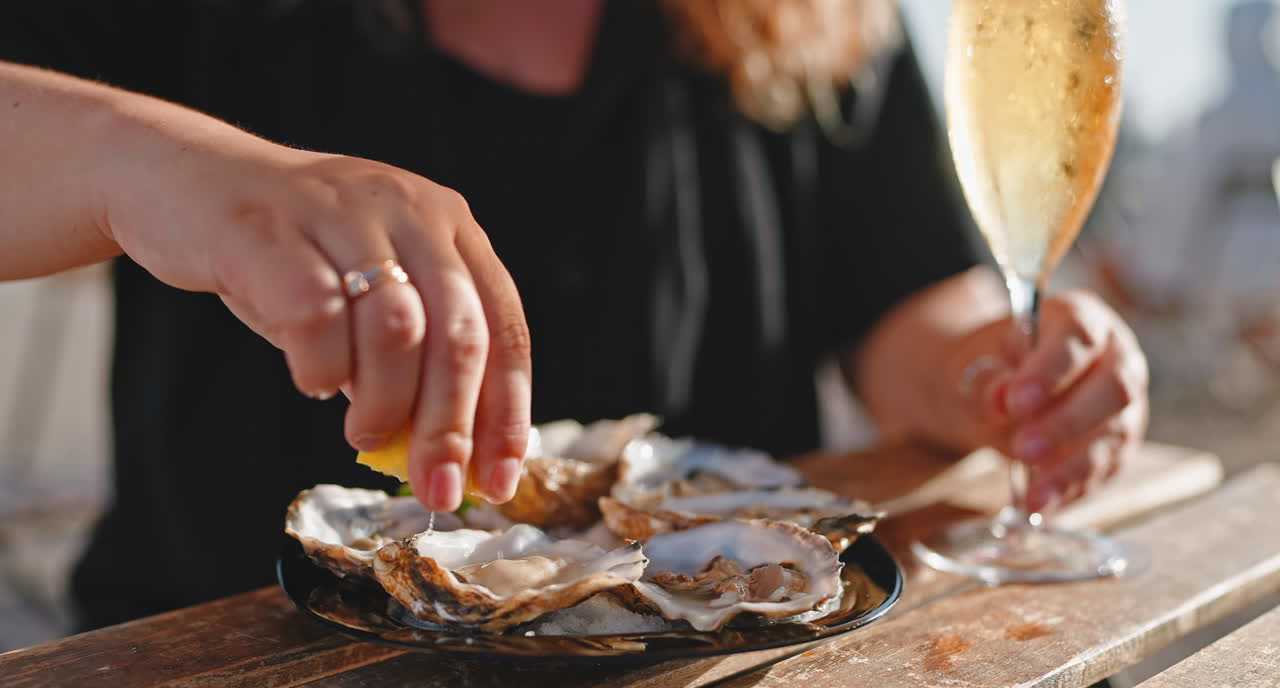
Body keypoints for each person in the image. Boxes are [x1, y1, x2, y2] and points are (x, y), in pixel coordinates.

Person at [0, 0, 1148, 630]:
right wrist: (147, 160)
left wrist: (1004, 371)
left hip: (714, 680)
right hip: (234, 669)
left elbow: (905, 306)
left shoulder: (821, 18)